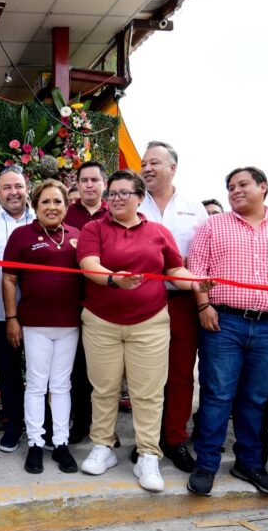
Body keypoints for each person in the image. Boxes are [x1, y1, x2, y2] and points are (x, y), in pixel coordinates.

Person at [76, 170, 208, 492]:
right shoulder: (94, 228)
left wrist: (195, 284)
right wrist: (113, 279)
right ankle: (103, 447)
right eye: (113, 193)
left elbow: (174, 269)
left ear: (139, 198)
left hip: (150, 322)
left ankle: (148, 455)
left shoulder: (159, 233)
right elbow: (88, 264)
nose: (117, 198)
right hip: (101, 321)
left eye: (124, 193)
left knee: (147, 393)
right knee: (104, 388)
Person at [187, 167, 268, 497]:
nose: (235, 191)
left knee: (256, 399)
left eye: (243, 184)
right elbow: (197, 270)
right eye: (230, 187)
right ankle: (207, 463)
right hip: (223, 323)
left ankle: (250, 463)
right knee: (217, 395)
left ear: (263, 188)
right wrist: (203, 306)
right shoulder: (213, 226)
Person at [2, 179, 83, 474]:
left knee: (62, 385)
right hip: (35, 324)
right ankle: (35, 444)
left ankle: (60, 444)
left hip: (69, 324)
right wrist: (12, 318)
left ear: (66, 205)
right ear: (35, 206)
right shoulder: (22, 236)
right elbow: (9, 279)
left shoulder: (77, 235)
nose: (52, 207)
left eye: (58, 201)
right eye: (45, 202)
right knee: (37, 385)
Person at [138, 141, 209, 472]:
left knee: (181, 374)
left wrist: (203, 302)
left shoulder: (196, 209)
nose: (147, 168)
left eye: (154, 162)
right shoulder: (133, 203)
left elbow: (202, 259)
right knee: (144, 376)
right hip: (141, 299)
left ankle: (175, 438)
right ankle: (146, 441)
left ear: (172, 168)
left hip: (181, 301)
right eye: (144, 163)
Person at [0, 165, 34, 452]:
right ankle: (14, 425)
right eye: (7, 187)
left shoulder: (41, 217)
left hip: (40, 314)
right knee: (9, 372)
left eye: (18, 186)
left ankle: (47, 425)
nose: (13, 192)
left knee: (43, 373)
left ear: (26, 188)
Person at [63, 161, 108, 444]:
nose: (89, 185)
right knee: (78, 368)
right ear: (77, 184)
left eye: (95, 180)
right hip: (72, 301)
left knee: (104, 371)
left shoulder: (114, 212)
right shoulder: (67, 213)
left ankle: (105, 427)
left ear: (104, 184)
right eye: (84, 180)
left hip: (106, 301)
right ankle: (80, 423)